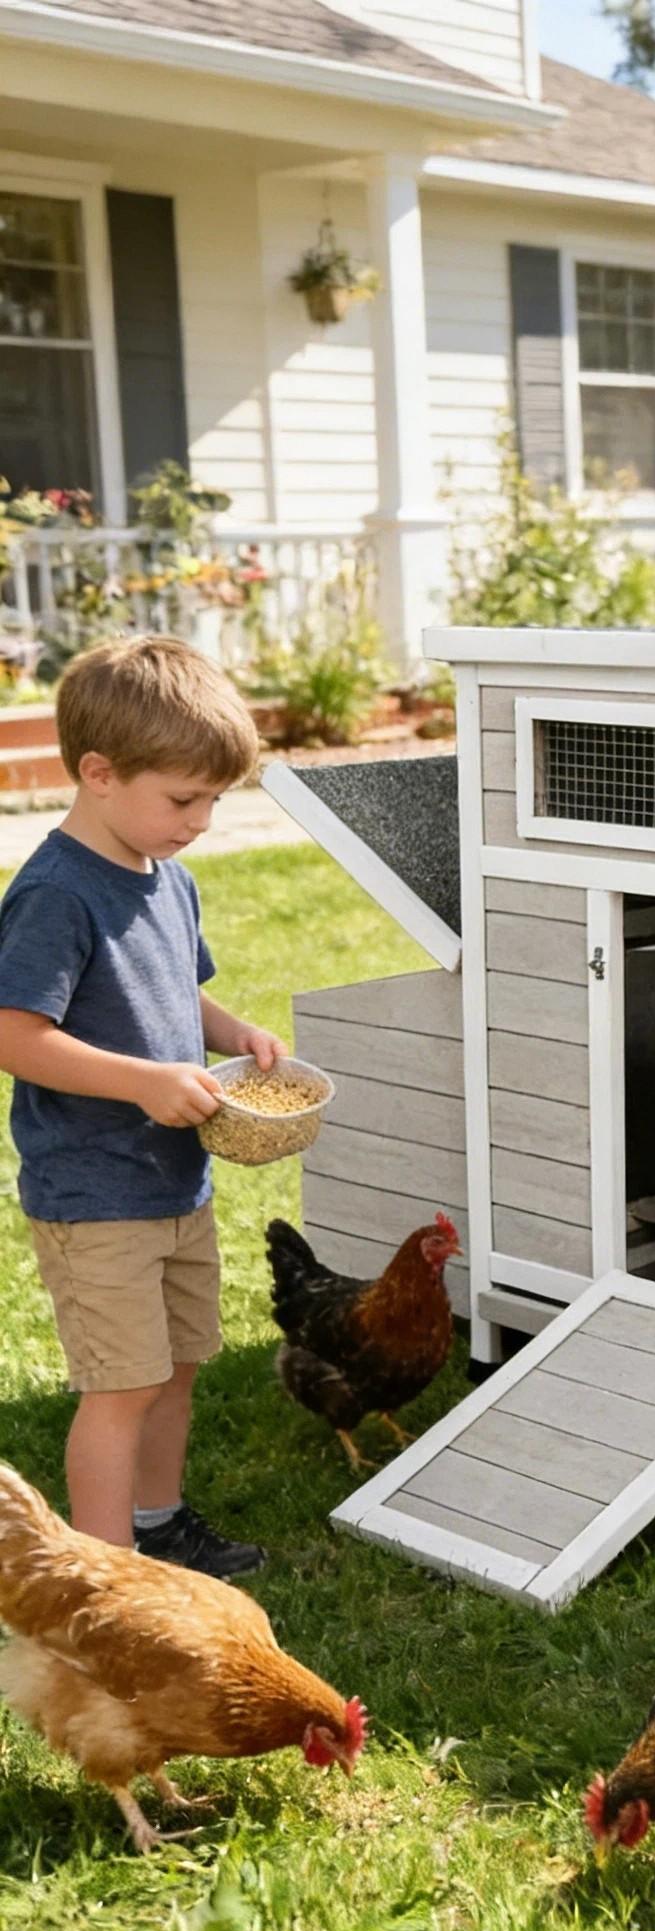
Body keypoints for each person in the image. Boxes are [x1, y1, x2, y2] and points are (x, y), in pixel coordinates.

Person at [0, 636, 284, 1578]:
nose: (200, 821)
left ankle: (158, 1527)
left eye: (212, 801)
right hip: (95, 1193)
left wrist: (234, 1034)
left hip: (176, 1178)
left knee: (179, 1367)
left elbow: (173, 993)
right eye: (183, 799)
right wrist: (142, 1082)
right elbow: (15, 1035)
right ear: (98, 773)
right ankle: (108, 1577)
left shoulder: (170, 876)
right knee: (120, 1386)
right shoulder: (54, 895)